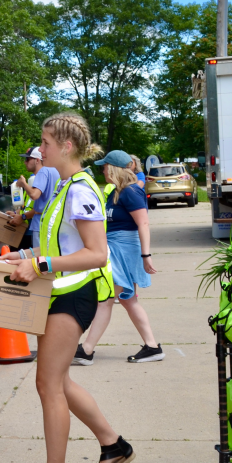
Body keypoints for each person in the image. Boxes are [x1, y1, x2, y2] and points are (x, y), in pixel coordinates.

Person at [1, 114, 133, 463]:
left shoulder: (80, 190)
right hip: (59, 291)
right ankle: (113, 445)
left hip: (74, 296)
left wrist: (39, 266)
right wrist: (20, 257)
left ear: (66, 146)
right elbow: (56, 248)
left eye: (44, 142)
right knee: (59, 382)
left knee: (48, 385)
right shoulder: (62, 187)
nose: (39, 149)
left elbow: (96, 254)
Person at [73, 149, 162, 366]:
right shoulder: (117, 192)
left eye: (105, 167)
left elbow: (143, 223)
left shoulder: (131, 192)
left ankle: (86, 350)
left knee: (106, 300)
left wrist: (146, 255)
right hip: (115, 248)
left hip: (123, 250)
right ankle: (151, 346)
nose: (102, 171)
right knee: (126, 299)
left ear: (113, 168)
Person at [7, 146, 60, 253]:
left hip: (41, 223)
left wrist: (23, 183)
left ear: (37, 160)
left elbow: (34, 195)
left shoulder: (42, 172)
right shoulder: (55, 170)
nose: (25, 162)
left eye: (27, 159)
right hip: (53, 221)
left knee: (40, 259)